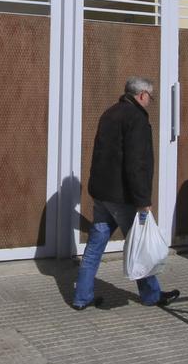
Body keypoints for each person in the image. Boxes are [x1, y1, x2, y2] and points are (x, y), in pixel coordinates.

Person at [72, 76, 180, 310]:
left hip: (102, 193)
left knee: (94, 247)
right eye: (150, 97)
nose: (150, 101)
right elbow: (136, 163)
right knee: (141, 245)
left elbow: (100, 154)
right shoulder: (136, 118)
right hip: (122, 196)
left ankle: (82, 296)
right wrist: (143, 201)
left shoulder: (109, 113)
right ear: (142, 95)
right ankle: (152, 295)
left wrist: (95, 189)